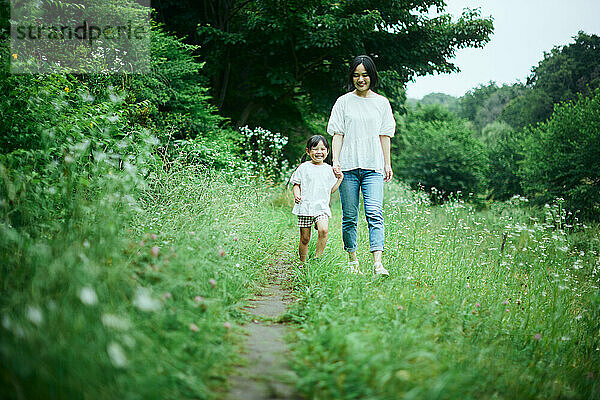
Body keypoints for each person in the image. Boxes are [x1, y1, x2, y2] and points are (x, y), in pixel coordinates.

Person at [327, 55, 395, 276]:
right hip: (348, 167)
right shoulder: (343, 102)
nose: (360, 79)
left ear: (372, 76)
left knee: (375, 213)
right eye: (356, 75)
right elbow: (338, 134)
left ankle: (378, 264)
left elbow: (385, 135)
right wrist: (335, 161)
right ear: (351, 77)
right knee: (349, 216)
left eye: (365, 75)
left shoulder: (381, 103)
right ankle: (352, 261)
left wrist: (387, 163)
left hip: (373, 167)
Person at [290, 135, 344, 262]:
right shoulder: (304, 167)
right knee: (305, 238)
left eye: (322, 149)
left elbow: (331, 190)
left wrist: (340, 178)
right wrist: (297, 194)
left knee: (323, 230)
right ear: (308, 151)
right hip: (305, 206)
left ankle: (317, 258)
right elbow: (296, 184)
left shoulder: (328, 169)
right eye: (315, 149)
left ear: (327, 152)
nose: (319, 152)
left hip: (321, 207)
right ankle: (302, 262)